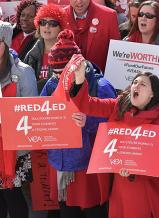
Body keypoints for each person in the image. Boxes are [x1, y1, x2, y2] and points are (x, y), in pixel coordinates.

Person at [63, 66, 159, 217]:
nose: (136, 86)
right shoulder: (118, 106)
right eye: (135, 82)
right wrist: (80, 78)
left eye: (143, 84)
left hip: (147, 190)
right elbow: (87, 104)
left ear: (152, 94)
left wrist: (135, 166)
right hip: (120, 188)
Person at [41, 29, 116, 218]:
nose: (58, 77)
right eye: (55, 72)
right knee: (67, 210)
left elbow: (112, 123)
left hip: (88, 163)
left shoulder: (101, 86)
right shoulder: (51, 84)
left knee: (93, 210)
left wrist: (87, 122)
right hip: (60, 160)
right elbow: (40, 113)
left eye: (62, 72)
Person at [0, 21, 38, 218]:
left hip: (14, 146)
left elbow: (30, 111)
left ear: (6, 44)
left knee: (12, 194)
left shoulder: (23, 72)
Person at [65, 0, 120, 72]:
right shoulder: (60, 15)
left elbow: (115, 53)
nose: (79, 1)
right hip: (67, 79)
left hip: (98, 78)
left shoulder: (109, 15)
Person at [24, 4, 67, 94]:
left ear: (61, 28)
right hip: (36, 104)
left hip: (59, 104)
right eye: (43, 22)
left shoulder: (69, 53)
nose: (47, 27)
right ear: (39, 26)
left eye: (52, 23)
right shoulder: (31, 55)